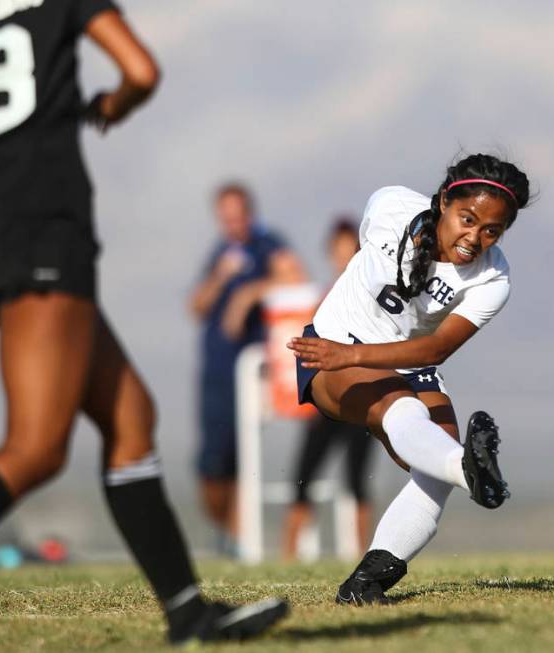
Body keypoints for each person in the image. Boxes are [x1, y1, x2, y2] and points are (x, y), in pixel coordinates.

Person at [0, 2, 285, 644]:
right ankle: (189, 614)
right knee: (36, 449)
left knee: (130, 422)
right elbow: (141, 71)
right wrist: (107, 109)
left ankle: (188, 615)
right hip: (41, 230)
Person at [288, 153, 530, 603]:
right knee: (407, 413)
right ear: (443, 202)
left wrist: (359, 355)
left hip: (405, 362)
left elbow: (435, 350)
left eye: (491, 230)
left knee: (434, 471)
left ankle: (366, 583)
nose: (474, 237)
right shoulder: (390, 206)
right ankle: (471, 471)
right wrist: (346, 352)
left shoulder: (494, 277)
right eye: (467, 219)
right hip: (332, 348)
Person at [189, 183, 300, 541]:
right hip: (215, 371)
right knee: (211, 464)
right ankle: (228, 535)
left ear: (249, 213)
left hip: (247, 373)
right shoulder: (221, 252)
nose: (233, 223)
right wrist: (221, 277)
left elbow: (296, 277)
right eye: (226, 218)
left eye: (238, 216)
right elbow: (196, 307)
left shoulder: (267, 244)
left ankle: (243, 539)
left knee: (242, 458)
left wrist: (248, 293)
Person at [281, 218, 376, 560]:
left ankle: (367, 554)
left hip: (361, 399)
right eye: (337, 251)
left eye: (348, 250)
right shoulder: (325, 297)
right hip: (326, 402)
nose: (343, 258)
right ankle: (287, 556)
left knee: (357, 481)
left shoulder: (371, 292)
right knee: (303, 478)